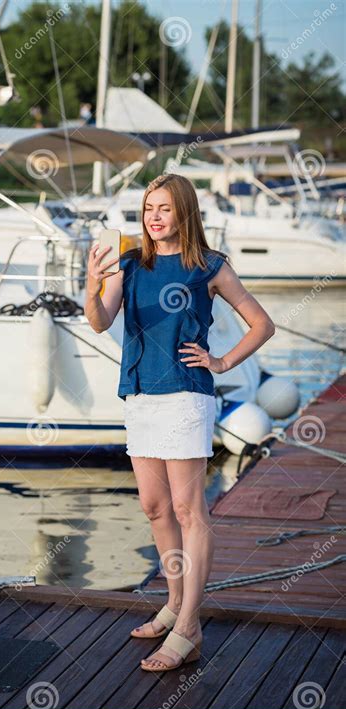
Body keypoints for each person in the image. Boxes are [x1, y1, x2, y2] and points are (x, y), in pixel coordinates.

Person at [84, 173, 275, 672]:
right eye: (148, 207)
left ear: (184, 212)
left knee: (190, 510)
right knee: (154, 506)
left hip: (186, 399)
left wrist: (222, 362)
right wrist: (90, 284)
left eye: (164, 208)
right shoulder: (130, 263)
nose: (153, 216)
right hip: (141, 395)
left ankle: (189, 625)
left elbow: (262, 323)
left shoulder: (209, 267)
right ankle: (172, 603)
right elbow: (101, 321)